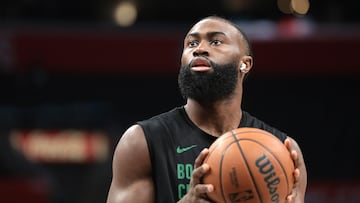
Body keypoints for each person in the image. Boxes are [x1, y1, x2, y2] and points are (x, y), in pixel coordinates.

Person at [106, 15, 307, 203]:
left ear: (244, 64)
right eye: (192, 43)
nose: (199, 49)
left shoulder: (283, 150)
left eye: (216, 42)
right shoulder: (142, 141)